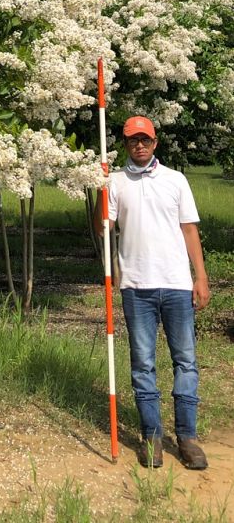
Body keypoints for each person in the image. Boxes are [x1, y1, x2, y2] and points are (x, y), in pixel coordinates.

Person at [94, 116, 211, 469]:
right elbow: (105, 229)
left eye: (145, 139)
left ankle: (187, 437)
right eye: (133, 140)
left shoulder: (176, 180)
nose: (139, 145)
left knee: (185, 362)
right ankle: (152, 436)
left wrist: (200, 277)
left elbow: (190, 230)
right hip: (136, 287)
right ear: (125, 144)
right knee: (143, 365)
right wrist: (99, 186)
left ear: (155, 142)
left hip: (176, 284)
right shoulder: (115, 182)